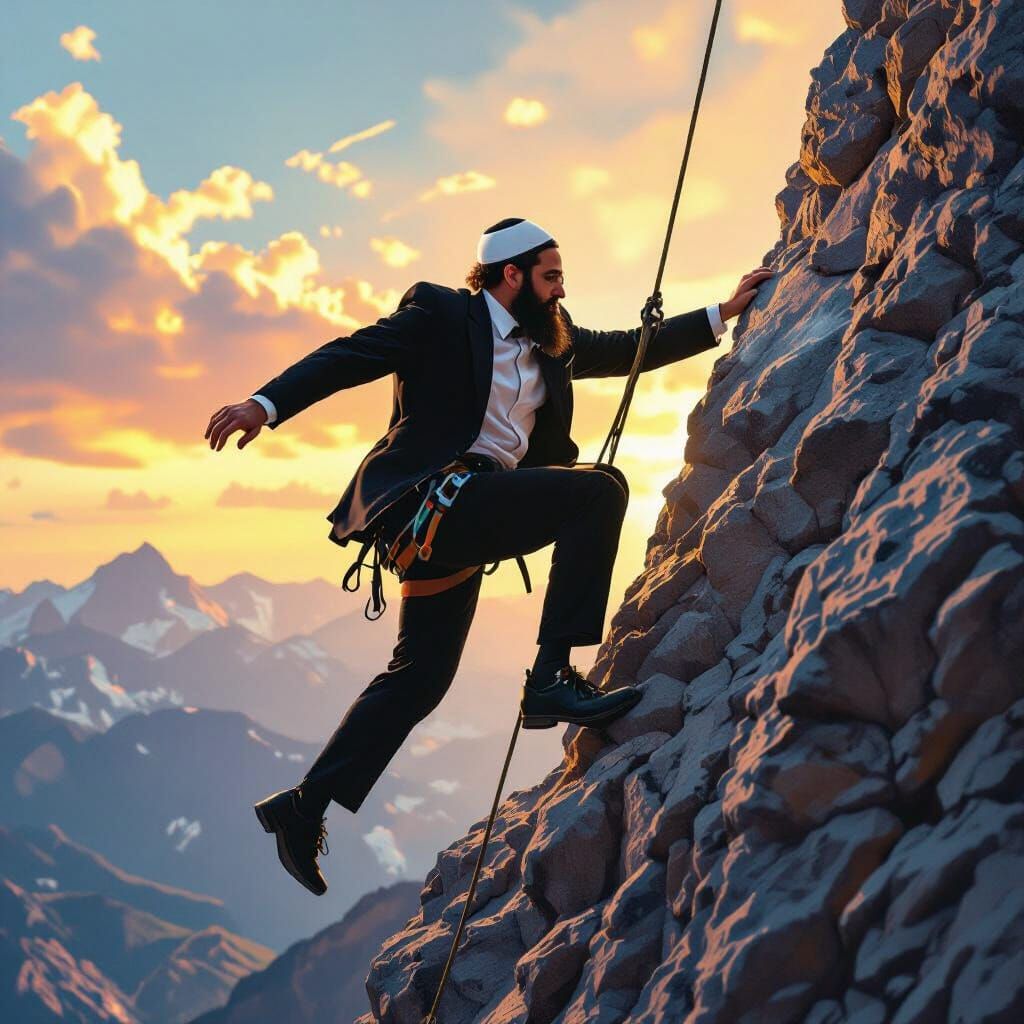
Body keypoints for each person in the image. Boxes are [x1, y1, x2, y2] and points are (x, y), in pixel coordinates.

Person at [206, 217, 772, 894]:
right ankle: (551, 675)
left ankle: (303, 808)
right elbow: (346, 356)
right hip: (434, 507)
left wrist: (723, 312)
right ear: (512, 275)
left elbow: (628, 347)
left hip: (471, 519)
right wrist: (262, 405)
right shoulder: (440, 314)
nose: (562, 289)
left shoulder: (549, 341)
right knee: (598, 492)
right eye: (551, 275)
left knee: (421, 676)